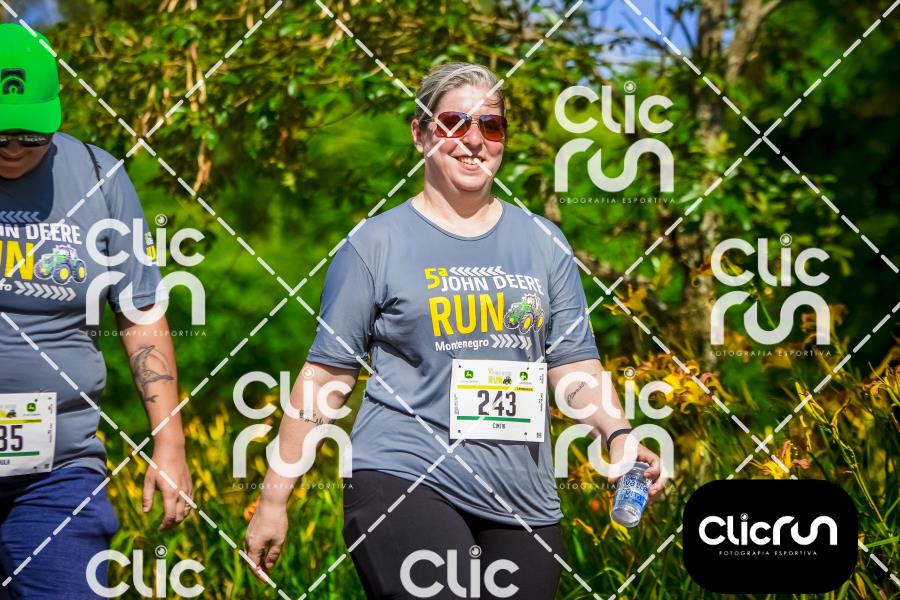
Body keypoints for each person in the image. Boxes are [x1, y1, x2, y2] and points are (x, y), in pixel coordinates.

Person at [245, 62, 667, 598]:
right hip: (403, 474)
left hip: (522, 496)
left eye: (491, 126)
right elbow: (326, 377)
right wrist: (274, 497)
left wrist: (619, 436)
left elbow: (572, 365)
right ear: (421, 134)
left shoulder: (544, 242)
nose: (473, 140)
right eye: (453, 123)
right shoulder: (374, 244)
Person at [0, 24, 192, 599]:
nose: (12, 149)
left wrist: (170, 444)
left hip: (57, 471)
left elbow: (140, 314)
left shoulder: (99, 177)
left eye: (29, 136)